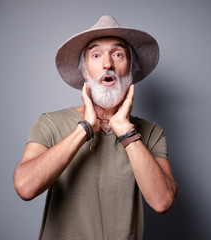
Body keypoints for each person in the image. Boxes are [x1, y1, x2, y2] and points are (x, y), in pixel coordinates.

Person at [13, 15, 177, 239]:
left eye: (118, 54)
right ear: (84, 72)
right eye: (96, 55)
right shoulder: (49, 123)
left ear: (130, 71)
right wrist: (85, 129)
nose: (107, 64)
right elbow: (25, 187)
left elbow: (162, 201)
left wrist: (125, 130)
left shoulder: (151, 133)